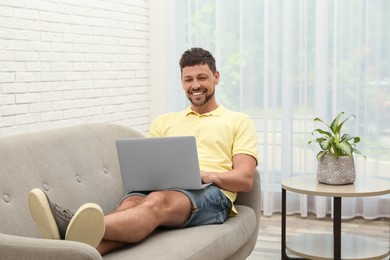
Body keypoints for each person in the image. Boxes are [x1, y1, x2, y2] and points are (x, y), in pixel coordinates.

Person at [28, 47, 258, 255]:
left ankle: (68, 224)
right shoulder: (164, 121)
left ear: (216, 78)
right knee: (130, 207)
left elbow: (245, 179)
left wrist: (207, 175)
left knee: (157, 201)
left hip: (212, 194)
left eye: (201, 78)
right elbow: (149, 163)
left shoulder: (238, 121)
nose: (195, 85)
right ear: (181, 82)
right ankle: (70, 249)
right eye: (188, 79)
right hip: (158, 187)